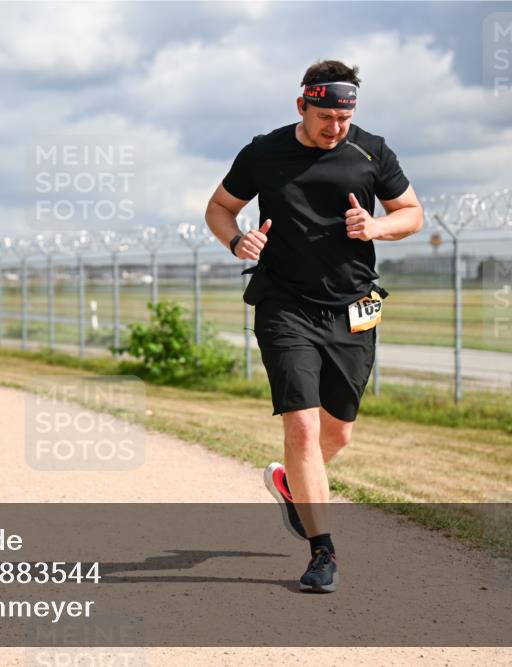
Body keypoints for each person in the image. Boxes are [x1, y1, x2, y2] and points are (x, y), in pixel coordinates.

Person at [204, 60, 423, 593]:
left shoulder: (372, 150)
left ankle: (290, 481)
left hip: (352, 307)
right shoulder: (263, 152)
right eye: (325, 117)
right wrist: (237, 241)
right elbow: (219, 208)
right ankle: (322, 552)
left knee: (337, 432)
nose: (336, 128)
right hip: (284, 304)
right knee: (300, 425)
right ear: (301, 105)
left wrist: (377, 226)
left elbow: (412, 212)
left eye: (344, 119)